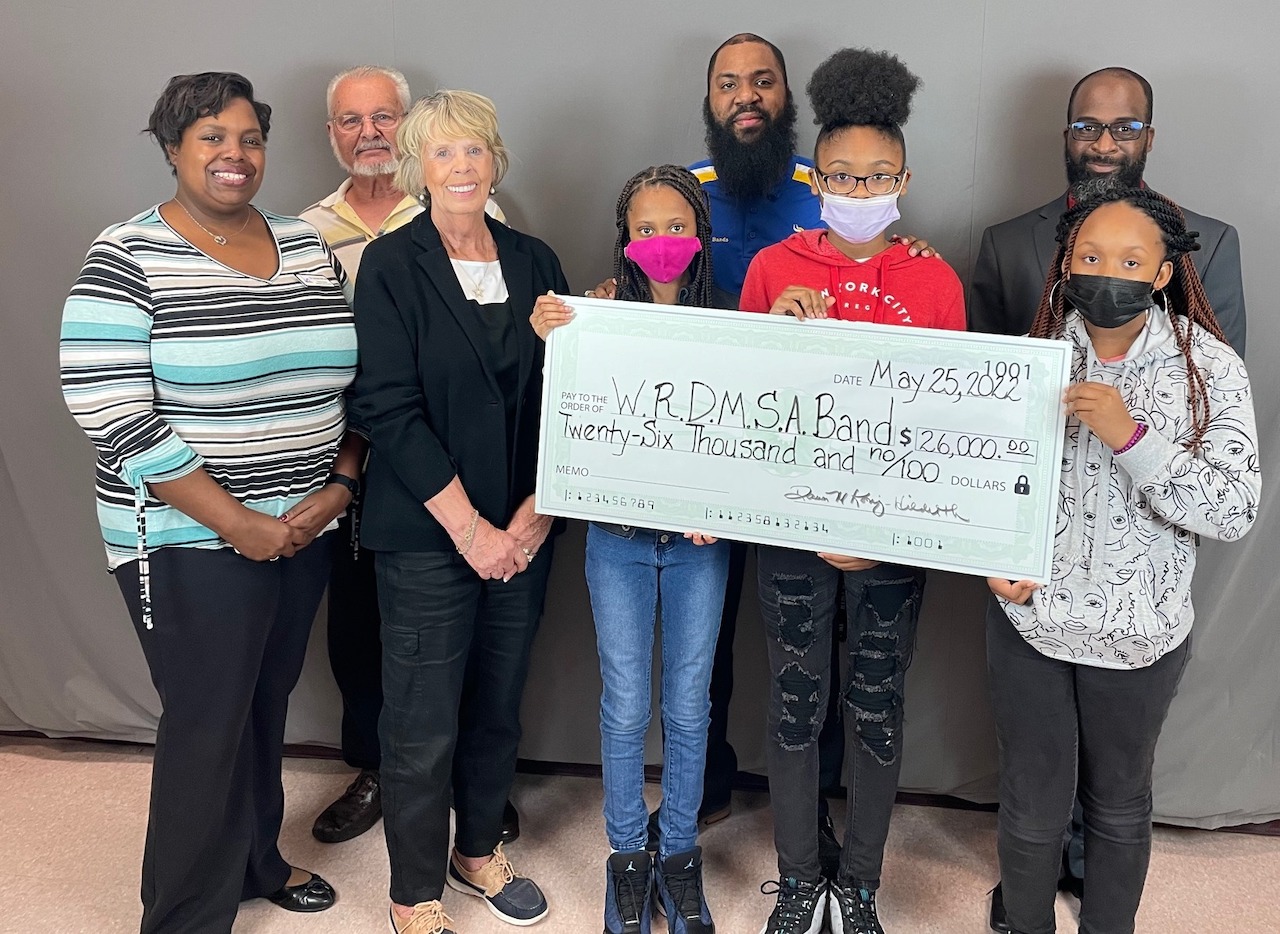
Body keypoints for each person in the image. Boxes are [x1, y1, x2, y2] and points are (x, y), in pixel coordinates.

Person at [59, 71, 358, 933]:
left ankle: (257, 860)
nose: (236, 155)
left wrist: (336, 490)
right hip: (185, 537)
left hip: (303, 528)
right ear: (172, 148)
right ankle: (185, 914)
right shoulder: (127, 255)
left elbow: (354, 383)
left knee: (263, 703)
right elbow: (110, 408)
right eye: (212, 138)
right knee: (207, 719)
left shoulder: (306, 244)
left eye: (250, 138)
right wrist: (236, 522)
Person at [969, 66, 1248, 932]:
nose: (1108, 274)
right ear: (1066, 263)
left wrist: (1134, 438)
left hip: (1142, 627)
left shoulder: (1211, 371)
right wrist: (992, 557)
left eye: (1130, 261)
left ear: (1162, 272)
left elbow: (1233, 509)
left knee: (1120, 805)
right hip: (1032, 617)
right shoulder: (1032, 358)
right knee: (1030, 802)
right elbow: (980, 473)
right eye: (1090, 258)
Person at [740, 49, 965, 934]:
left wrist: (877, 526)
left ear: (903, 180)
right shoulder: (772, 268)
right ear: (816, 179)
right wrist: (774, 333)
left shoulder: (934, 279)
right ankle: (800, 879)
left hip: (895, 538)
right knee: (794, 704)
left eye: (876, 176)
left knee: (876, 706)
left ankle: (861, 882)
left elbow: (951, 423)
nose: (859, 189)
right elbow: (741, 414)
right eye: (840, 175)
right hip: (792, 533)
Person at [348, 89, 567, 934]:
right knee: (421, 720)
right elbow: (388, 408)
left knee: (497, 705)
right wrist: (472, 531)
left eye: (474, 149)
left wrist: (533, 518)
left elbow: (569, 395)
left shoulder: (537, 261)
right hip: (430, 535)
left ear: (494, 161)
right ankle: (414, 892)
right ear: (419, 168)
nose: (461, 166)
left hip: (524, 530)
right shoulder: (391, 266)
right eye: (443, 152)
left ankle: (476, 853)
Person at [300, 64, 517, 848]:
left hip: (459, 463)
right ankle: (380, 769)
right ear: (332, 134)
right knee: (364, 631)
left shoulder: (481, 218)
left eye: (382, 117)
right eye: (351, 120)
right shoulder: (306, 230)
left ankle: (468, 782)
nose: (369, 133)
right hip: (353, 458)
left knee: (471, 633)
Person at [532, 165, 726, 934]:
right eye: (646, 228)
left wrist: (724, 505)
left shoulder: (732, 323)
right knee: (624, 704)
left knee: (689, 705)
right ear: (625, 238)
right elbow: (570, 419)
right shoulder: (598, 315)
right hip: (616, 542)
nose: (662, 240)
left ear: (701, 233)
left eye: (676, 226)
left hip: (698, 546)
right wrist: (553, 336)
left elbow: (749, 436)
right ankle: (626, 856)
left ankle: (677, 852)